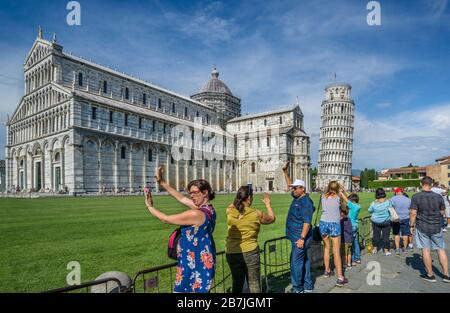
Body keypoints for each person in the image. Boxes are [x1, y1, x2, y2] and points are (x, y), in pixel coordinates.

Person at [144, 166, 217, 292]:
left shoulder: (196, 214)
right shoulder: (210, 209)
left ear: (205, 193)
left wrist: (149, 206)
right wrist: (162, 182)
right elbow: (181, 198)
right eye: (190, 193)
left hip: (194, 264)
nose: (191, 196)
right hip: (203, 259)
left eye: (195, 193)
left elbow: (165, 219)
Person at [225, 186, 275, 293]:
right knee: (254, 283)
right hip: (250, 251)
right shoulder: (256, 213)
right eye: (251, 197)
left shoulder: (229, 211)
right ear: (248, 198)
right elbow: (272, 218)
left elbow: (232, 205)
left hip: (232, 252)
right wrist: (268, 205)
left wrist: (239, 197)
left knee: (237, 283)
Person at [282, 161, 315, 293]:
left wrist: (302, 238)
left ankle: (297, 288)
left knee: (296, 263)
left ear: (302, 188)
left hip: (299, 237)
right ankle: (307, 286)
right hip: (297, 235)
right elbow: (290, 184)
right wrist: (285, 172)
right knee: (305, 260)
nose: (293, 189)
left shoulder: (305, 202)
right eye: (293, 188)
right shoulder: (298, 197)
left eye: (296, 188)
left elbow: (307, 222)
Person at [410, 176, 450, 283]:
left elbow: (413, 213)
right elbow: (442, 212)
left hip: (422, 226)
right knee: (440, 249)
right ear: (431, 184)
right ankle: (446, 275)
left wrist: (411, 226)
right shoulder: (438, 197)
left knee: (425, 250)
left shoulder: (416, 196)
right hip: (436, 226)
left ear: (421, 184)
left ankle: (430, 275)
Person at [319, 181, 348, 287]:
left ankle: (327, 271)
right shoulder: (339, 196)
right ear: (337, 188)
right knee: (336, 251)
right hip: (334, 224)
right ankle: (340, 277)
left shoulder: (323, 196)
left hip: (323, 223)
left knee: (326, 248)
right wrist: (343, 190)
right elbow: (349, 202)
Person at [339, 191, 361, 266]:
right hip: (355, 225)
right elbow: (350, 197)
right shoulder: (357, 206)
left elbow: (347, 200)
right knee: (355, 242)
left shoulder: (352, 206)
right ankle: (357, 258)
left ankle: (352, 260)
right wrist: (342, 189)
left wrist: (341, 193)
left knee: (349, 243)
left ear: (352, 201)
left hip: (350, 226)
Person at [368, 188, 392, 256]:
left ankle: (375, 249)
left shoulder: (373, 203)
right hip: (386, 221)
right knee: (386, 236)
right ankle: (386, 250)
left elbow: (369, 210)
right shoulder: (388, 202)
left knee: (376, 235)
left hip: (376, 221)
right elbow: (392, 207)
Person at [391, 187, 412, 255]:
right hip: (405, 218)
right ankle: (405, 248)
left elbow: (391, 208)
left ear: (396, 192)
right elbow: (410, 209)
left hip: (396, 218)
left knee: (396, 234)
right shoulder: (408, 199)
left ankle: (397, 249)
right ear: (402, 192)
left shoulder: (393, 198)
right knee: (405, 234)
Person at [340, 206, 353, 271]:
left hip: (344, 240)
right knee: (349, 252)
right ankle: (349, 264)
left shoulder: (342, 221)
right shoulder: (349, 219)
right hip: (350, 239)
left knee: (343, 253)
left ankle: (344, 265)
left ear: (342, 213)